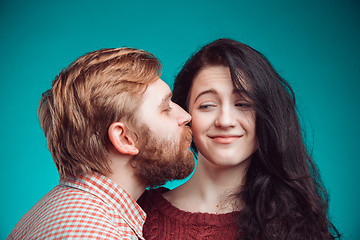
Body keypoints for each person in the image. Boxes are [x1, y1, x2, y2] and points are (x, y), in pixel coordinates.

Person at [138, 39, 341, 239]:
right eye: (207, 105)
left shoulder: (298, 224)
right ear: (184, 115)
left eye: (243, 104)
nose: (225, 121)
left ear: (265, 115)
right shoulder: (137, 215)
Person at [8, 47, 195, 240]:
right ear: (125, 139)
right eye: (165, 108)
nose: (186, 116)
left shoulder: (51, 210)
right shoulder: (98, 234)